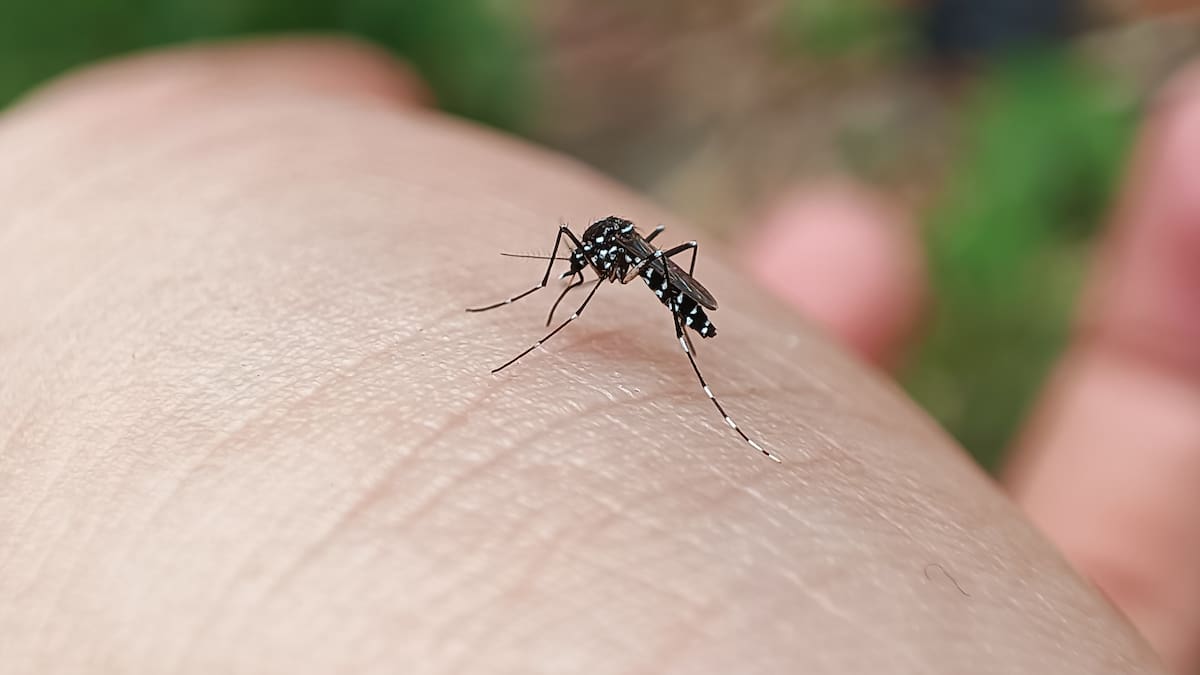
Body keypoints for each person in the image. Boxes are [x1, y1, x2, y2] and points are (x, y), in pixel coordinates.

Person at [1, 37, 1193, 674]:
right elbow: (601, 248)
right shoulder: (607, 243)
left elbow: (630, 255)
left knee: (659, 270)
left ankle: (712, 395)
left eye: (590, 266)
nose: (591, 263)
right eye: (589, 268)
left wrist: (609, 300)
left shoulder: (637, 259)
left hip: (688, 303)